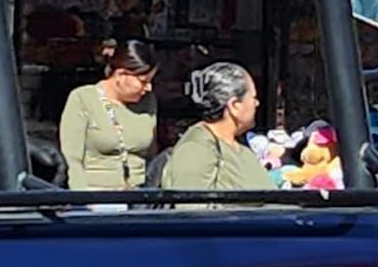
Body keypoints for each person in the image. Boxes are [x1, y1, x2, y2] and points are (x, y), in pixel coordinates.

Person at [158, 63, 280, 192]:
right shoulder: (196, 149)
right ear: (234, 105)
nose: (257, 103)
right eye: (253, 97)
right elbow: (193, 208)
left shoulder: (240, 148)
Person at [58, 41, 160, 192]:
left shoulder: (148, 101)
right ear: (121, 74)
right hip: (97, 194)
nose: (148, 87)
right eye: (143, 81)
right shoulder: (83, 98)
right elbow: (72, 159)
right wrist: (81, 198)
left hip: (139, 193)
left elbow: (152, 152)